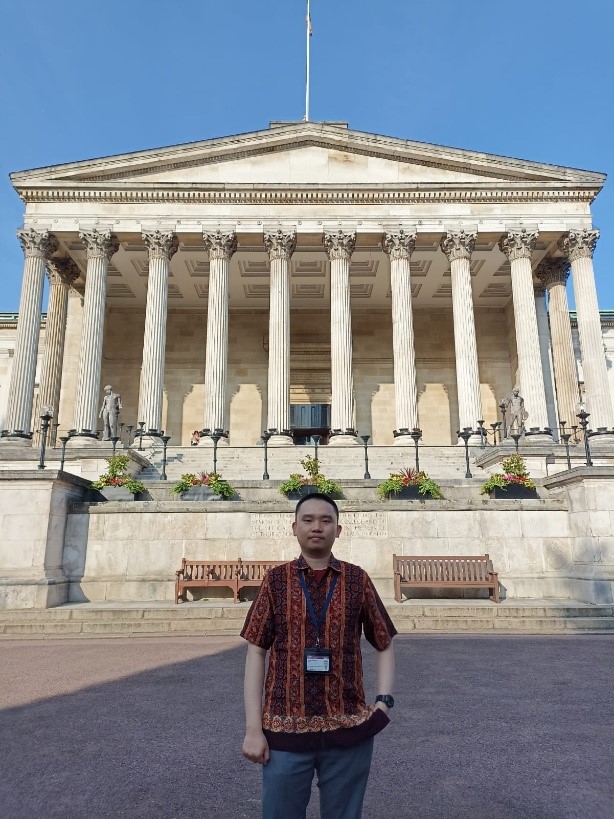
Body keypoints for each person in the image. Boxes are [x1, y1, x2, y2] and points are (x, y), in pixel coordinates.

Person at [241, 492, 396, 819]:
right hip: (284, 730)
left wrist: (384, 701)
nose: (317, 527)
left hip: (349, 728)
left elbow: (384, 641)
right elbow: (256, 651)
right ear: (294, 527)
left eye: (326, 520)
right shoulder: (275, 581)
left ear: (338, 530)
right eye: (308, 520)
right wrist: (253, 729)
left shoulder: (358, 579)